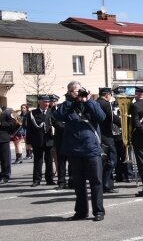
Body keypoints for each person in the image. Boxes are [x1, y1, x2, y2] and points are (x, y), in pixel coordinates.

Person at [53, 82, 106, 221]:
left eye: (79, 90)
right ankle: (81, 211)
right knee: (78, 183)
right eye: (74, 91)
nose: (77, 93)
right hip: (74, 150)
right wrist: (70, 101)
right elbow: (58, 116)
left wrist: (87, 100)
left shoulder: (91, 103)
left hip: (92, 148)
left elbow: (101, 117)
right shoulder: (66, 105)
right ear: (69, 92)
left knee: (96, 182)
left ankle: (99, 211)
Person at [25, 95, 55, 187]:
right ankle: (36, 180)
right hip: (37, 141)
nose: (47, 104)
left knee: (49, 161)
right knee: (38, 161)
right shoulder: (32, 113)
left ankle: (49, 179)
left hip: (49, 140)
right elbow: (29, 129)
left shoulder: (51, 112)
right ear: (39, 102)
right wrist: (28, 143)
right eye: (45, 102)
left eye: (48, 102)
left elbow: (56, 124)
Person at [96, 88, 121, 194]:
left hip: (98, 136)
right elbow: (112, 118)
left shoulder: (95, 103)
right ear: (107, 95)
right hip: (106, 136)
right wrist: (125, 123)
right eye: (110, 95)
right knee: (112, 160)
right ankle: (105, 185)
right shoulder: (106, 104)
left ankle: (106, 185)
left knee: (102, 162)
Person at [0, 105, 20, 183]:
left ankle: (5, 175)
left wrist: (2, 123)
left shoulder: (6, 113)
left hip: (3, 138)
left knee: (5, 159)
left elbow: (15, 123)